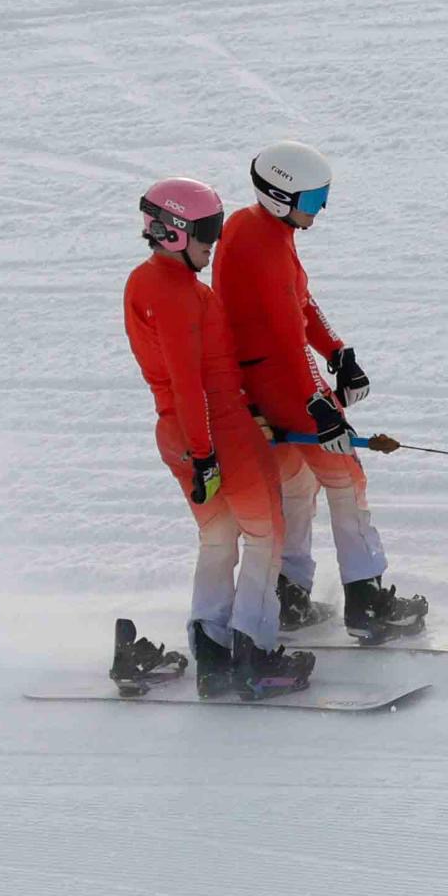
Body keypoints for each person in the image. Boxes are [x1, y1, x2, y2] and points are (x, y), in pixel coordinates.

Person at [219, 140, 422, 642]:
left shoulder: (262, 229)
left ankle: (288, 592)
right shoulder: (261, 243)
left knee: (296, 484)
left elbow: (301, 303)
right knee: (347, 479)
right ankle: (367, 598)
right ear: (276, 195)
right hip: (282, 379)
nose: (320, 210)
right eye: (311, 201)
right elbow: (287, 332)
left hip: (265, 378)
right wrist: (317, 400)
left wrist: (338, 352)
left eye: (323, 197)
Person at [122, 179, 304, 699]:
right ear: (172, 231)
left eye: (218, 229)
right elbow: (189, 381)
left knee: (220, 538)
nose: (215, 241)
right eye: (206, 231)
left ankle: (213, 654)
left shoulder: (144, 283)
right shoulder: (177, 293)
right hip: (216, 433)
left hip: (181, 433)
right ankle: (255, 653)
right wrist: (209, 453)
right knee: (267, 537)